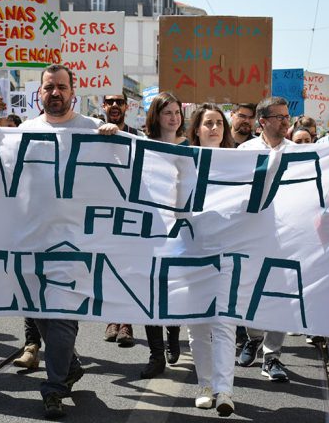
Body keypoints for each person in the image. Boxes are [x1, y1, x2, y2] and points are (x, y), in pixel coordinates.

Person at [0, 64, 118, 419]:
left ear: (73, 92)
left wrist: (115, 139)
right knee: (38, 309)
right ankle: (69, 364)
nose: (55, 93)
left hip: (75, 242)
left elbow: (124, 170)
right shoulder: (24, 131)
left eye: (61, 87)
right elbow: (0, 173)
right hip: (31, 239)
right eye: (48, 87)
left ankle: (54, 387)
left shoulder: (92, 129)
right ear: (38, 94)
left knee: (59, 315)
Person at [237, 97, 293, 383]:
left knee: (280, 296)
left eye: (287, 116)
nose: (286, 121)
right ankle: (253, 337)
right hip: (251, 235)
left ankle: (273, 357)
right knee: (249, 292)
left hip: (286, 236)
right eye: (280, 117)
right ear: (263, 121)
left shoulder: (299, 152)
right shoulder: (243, 151)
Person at [186, 103, 236, 416]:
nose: (214, 128)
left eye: (219, 123)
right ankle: (205, 384)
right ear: (197, 130)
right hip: (191, 254)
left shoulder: (239, 162)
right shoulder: (184, 162)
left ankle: (225, 390)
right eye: (208, 123)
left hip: (229, 253)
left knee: (225, 324)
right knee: (197, 327)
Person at [140, 91, 186, 380]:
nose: (173, 118)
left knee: (175, 286)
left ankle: (174, 333)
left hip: (181, 228)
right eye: (167, 112)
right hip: (151, 228)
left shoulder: (191, 147)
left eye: (177, 112)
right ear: (156, 116)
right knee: (150, 291)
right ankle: (156, 354)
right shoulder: (142, 147)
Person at [101, 92, 138, 347]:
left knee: (127, 267)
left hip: (130, 209)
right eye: (110, 102)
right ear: (103, 106)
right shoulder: (93, 132)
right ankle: (111, 319)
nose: (115, 106)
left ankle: (126, 322)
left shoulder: (137, 135)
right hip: (102, 209)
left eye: (119, 102)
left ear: (126, 107)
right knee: (106, 268)